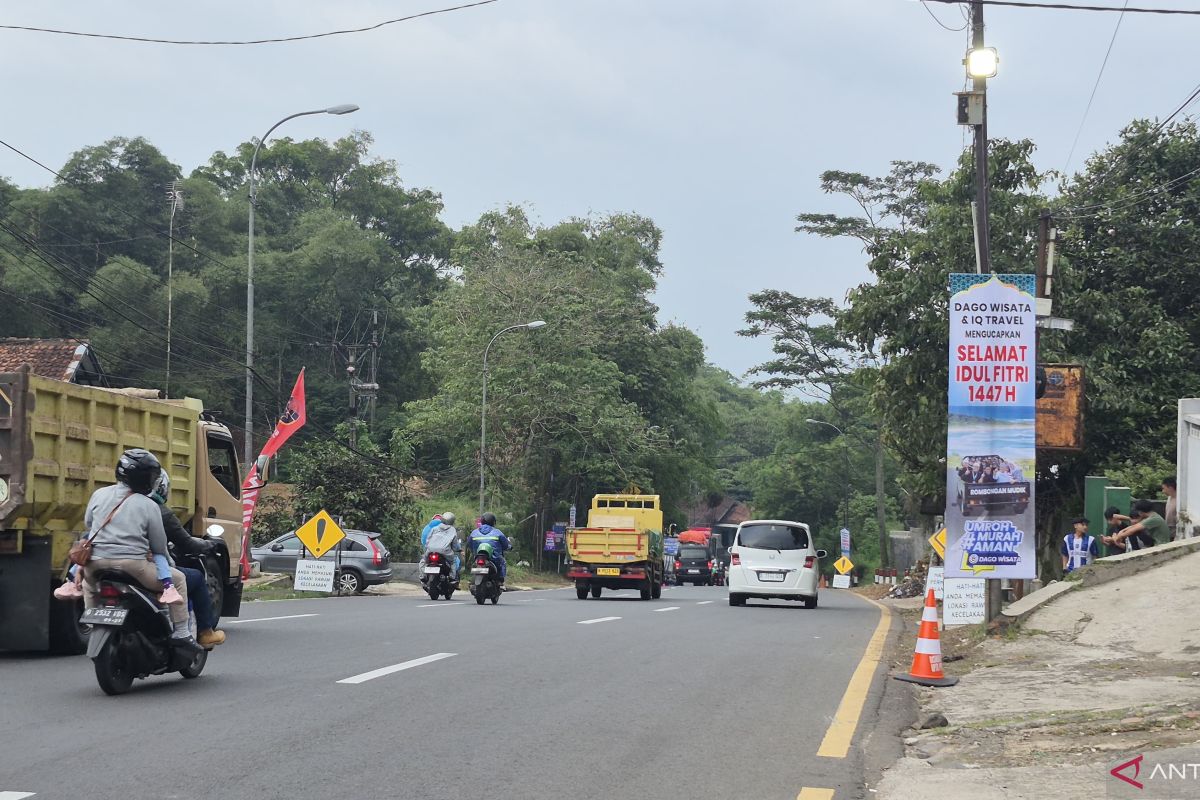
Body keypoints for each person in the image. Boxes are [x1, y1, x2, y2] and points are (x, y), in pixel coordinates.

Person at [80, 449, 194, 642]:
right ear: (145, 479)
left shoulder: (98, 494)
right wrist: (168, 563)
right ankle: (182, 633)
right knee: (179, 580)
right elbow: (158, 546)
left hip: (95, 564)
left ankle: (93, 625)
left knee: (88, 585)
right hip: (133, 566)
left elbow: (89, 524)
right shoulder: (149, 505)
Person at [150, 472, 225, 648]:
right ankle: (198, 632)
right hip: (142, 566)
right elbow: (183, 543)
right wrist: (208, 545)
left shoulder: (114, 503)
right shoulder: (157, 511)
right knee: (194, 578)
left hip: (105, 563)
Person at [468, 512, 511, 590]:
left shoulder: (474, 532)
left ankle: (470, 578)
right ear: (493, 522)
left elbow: (469, 544)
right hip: (494, 558)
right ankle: (500, 581)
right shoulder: (497, 532)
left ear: (482, 521)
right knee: (503, 562)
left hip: (478, 557)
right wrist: (509, 547)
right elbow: (505, 545)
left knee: (473, 564)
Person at [421, 512, 461, 582]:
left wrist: (427, 548)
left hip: (430, 550)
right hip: (445, 551)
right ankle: (452, 577)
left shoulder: (434, 528)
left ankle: (422, 576)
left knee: (423, 561)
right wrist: (457, 549)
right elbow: (455, 544)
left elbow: (428, 540)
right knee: (453, 562)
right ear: (452, 521)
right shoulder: (452, 530)